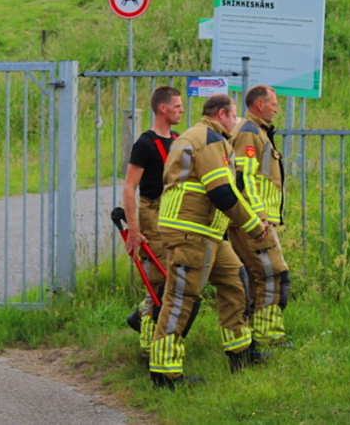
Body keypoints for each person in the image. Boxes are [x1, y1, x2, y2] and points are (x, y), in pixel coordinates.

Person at [149, 94, 269, 387]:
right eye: (233, 115)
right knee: (181, 299)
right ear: (221, 114)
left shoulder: (200, 136)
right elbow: (222, 193)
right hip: (192, 231)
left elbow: (227, 189)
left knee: (235, 281)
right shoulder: (210, 139)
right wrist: (254, 226)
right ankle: (165, 373)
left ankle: (241, 352)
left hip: (208, 233)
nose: (237, 121)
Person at [121, 86, 184, 360]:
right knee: (156, 283)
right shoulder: (145, 144)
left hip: (175, 215)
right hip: (152, 214)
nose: (181, 110)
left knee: (174, 279)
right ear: (163, 108)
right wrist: (134, 230)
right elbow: (129, 188)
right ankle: (148, 348)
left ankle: (140, 320)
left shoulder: (179, 140)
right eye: (178, 106)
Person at [230, 85, 290, 347]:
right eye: (273, 104)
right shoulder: (249, 132)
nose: (276, 109)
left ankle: (258, 334)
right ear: (259, 105)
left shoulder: (259, 131)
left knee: (265, 273)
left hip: (260, 219)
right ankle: (268, 336)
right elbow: (244, 178)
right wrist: (259, 216)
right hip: (253, 221)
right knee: (271, 272)